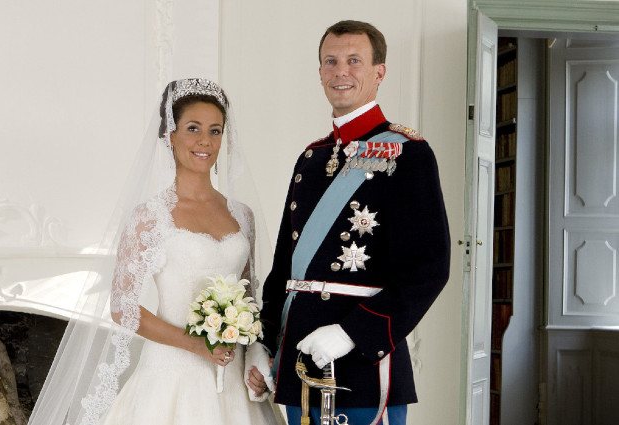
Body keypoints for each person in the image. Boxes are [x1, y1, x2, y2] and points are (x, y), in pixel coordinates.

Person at [29, 79, 279, 424]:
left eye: (215, 130)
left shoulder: (242, 215)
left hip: (233, 377)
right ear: (170, 136)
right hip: (172, 376)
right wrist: (196, 345)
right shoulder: (151, 217)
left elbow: (250, 299)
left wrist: (253, 353)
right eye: (193, 128)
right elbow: (123, 308)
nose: (205, 141)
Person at [249, 20, 451, 425]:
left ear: (380, 71)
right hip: (298, 360)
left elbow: (428, 270)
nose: (341, 71)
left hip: (362, 366)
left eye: (354, 61)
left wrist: (353, 333)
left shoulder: (407, 154)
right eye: (331, 61)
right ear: (320, 72)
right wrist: (265, 342)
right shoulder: (311, 157)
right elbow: (284, 268)